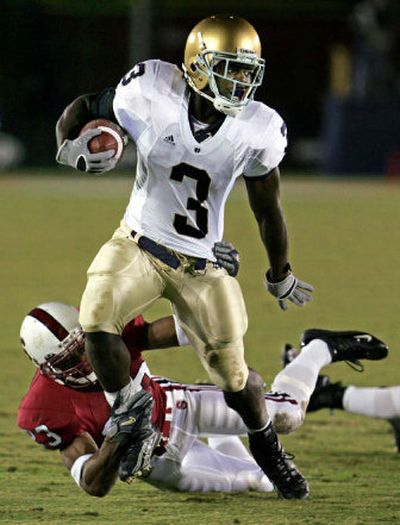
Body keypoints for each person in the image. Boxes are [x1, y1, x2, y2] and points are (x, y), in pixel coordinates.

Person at [55, 14, 314, 498]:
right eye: (229, 69)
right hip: (138, 242)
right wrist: (70, 148)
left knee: (235, 377)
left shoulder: (256, 129)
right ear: (197, 67)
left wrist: (280, 272)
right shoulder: (151, 90)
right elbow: (86, 106)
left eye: (246, 72)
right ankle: (129, 410)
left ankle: (269, 448)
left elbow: (268, 210)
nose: (239, 82)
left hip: (201, 264)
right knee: (96, 313)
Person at [17, 302, 387, 496]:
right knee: (260, 482)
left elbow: (190, 326)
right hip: (161, 464)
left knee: (289, 416)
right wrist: (115, 442)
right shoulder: (44, 409)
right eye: (71, 358)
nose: (86, 359)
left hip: (177, 406)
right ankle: (227, 433)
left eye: (84, 346)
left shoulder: (107, 334)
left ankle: (318, 347)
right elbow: (92, 484)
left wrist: (208, 283)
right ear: (48, 368)